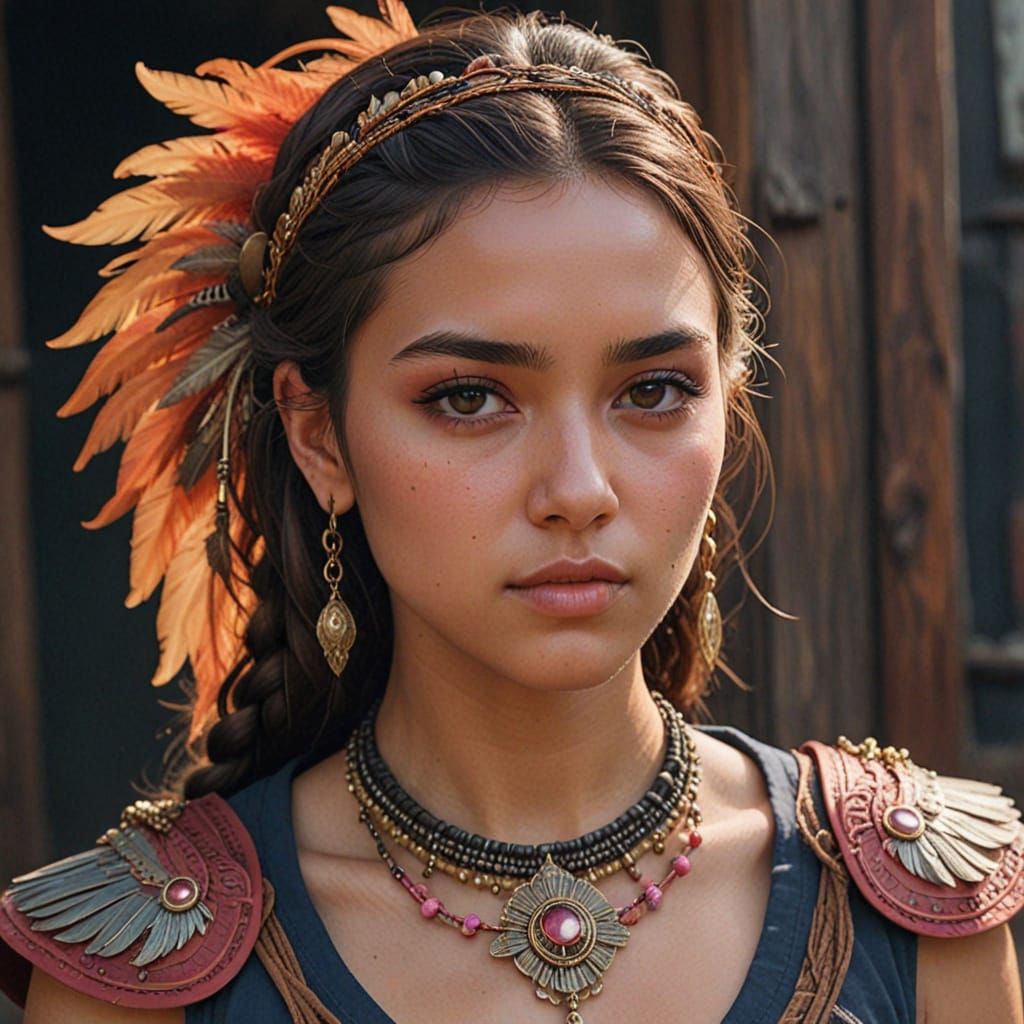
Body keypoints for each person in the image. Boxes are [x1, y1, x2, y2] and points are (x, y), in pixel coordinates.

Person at [1, 3, 1022, 1021]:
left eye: (654, 389)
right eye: (468, 397)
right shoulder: (139, 974)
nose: (579, 488)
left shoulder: (914, 907)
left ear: (729, 393)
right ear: (320, 436)